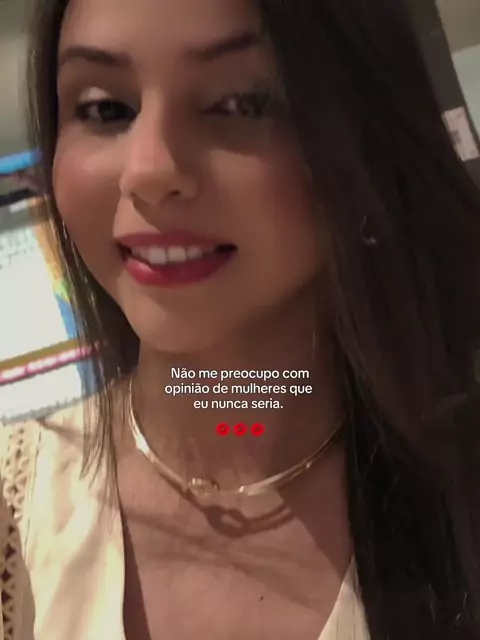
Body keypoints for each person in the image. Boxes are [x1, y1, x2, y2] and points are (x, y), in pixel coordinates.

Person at [1, 0, 480, 638]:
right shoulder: (15, 507)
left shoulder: (456, 491)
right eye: (106, 110)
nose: (149, 171)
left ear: (366, 139)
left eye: (240, 102)